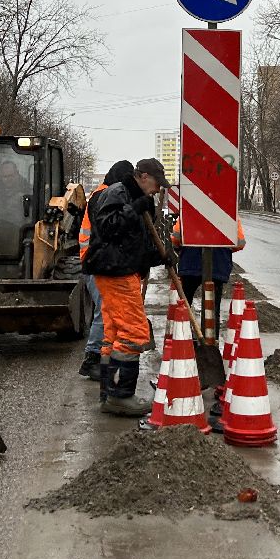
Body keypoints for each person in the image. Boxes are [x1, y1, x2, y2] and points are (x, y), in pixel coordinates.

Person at [82, 157, 169, 416]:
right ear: (142, 176)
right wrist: (134, 208)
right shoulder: (117, 192)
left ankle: (109, 391)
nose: (157, 190)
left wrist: (158, 257)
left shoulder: (135, 197)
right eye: (155, 183)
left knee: (114, 333)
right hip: (115, 272)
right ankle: (121, 396)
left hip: (121, 270)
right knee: (134, 332)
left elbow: (133, 244)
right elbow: (108, 227)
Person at [76, 161, 134, 380]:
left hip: (94, 260)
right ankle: (92, 358)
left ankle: (101, 357)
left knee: (106, 310)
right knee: (104, 310)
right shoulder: (104, 196)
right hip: (95, 262)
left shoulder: (103, 193)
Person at [171, 213, 246, 341]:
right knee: (212, 309)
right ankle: (211, 343)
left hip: (190, 262)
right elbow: (240, 242)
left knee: (184, 305)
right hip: (217, 264)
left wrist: (184, 247)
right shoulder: (229, 212)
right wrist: (222, 249)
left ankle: (183, 340)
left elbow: (176, 237)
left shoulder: (188, 208)